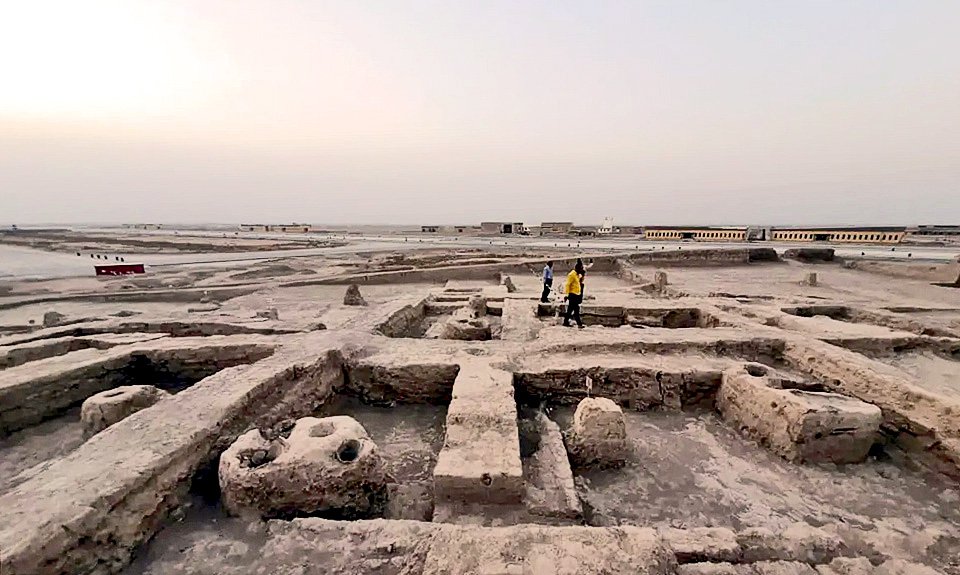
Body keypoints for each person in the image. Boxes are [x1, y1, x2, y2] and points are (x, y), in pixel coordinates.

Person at [562, 260, 585, 328]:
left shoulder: (577, 275)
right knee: (576, 310)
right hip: (572, 295)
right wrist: (566, 295)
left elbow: (580, 282)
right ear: (577, 268)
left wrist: (583, 275)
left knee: (570, 310)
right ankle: (579, 324)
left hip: (576, 294)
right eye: (581, 268)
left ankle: (566, 322)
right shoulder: (572, 274)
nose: (581, 270)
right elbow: (567, 285)